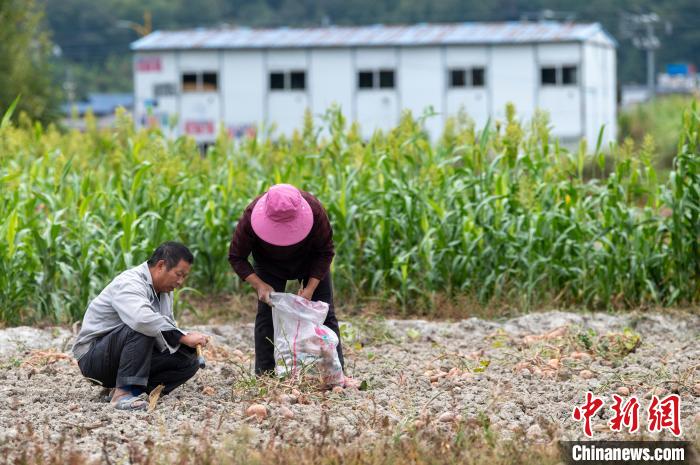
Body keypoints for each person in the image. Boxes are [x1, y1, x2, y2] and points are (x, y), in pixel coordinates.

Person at [72, 241, 209, 411]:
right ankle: (123, 394)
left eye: (184, 276)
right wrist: (182, 336)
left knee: (188, 357)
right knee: (143, 326)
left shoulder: (164, 292)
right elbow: (141, 320)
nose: (181, 281)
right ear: (161, 266)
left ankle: (131, 390)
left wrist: (186, 339)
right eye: (178, 274)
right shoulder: (129, 282)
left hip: (122, 353)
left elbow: (166, 329)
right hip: (93, 359)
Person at [228, 183, 345, 377]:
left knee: (324, 311)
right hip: (269, 264)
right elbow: (236, 256)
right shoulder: (250, 215)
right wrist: (259, 285)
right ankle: (265, 375)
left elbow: (326, 251)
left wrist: (310, 288)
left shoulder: (315, 210)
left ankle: (334, 373)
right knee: (267, 315)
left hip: (311, 261)